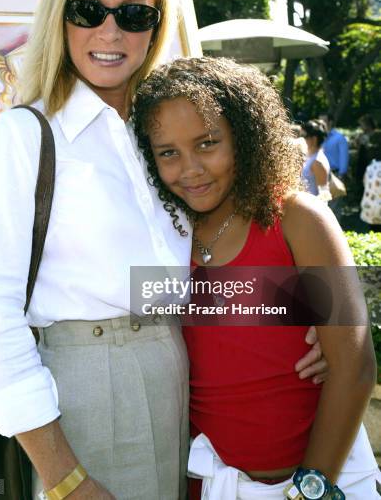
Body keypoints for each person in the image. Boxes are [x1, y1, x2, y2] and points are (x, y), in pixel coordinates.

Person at [0, 0, 325, 500]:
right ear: (60, 14)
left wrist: (309, 319)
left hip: (175, 385)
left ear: (156, 25)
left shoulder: (158, 136)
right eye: (88, 10)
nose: (110, 32)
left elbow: (167, 285)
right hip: (82, 396)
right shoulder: (26, 135)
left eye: (133, 14)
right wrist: (65, 479)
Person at [132, 56, 380, 500]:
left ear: (245, 138)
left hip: (321, 482)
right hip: (214, 484)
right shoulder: (168, 238)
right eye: (168, 152)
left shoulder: (297, 219)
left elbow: (356, 367)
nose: (189, 168)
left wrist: (311, 489)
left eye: (207, 143)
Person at [301, 119, 331, 200]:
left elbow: (324, 196)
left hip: (309, 210)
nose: (302, 138)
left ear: (314, 139)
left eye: (304, 136)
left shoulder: (318, 162)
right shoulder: (309, 156)